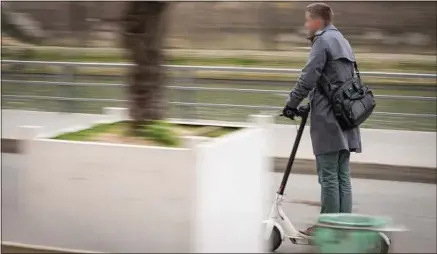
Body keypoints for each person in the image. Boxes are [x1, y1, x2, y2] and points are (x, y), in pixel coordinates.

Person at [282, 3, 362, 236]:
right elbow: (335, 79)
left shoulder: (322, 41)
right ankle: (342, 226)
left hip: (329, 119)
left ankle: (327, 227)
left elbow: (308, 77)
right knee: (341, 175)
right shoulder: (343, 41)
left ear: (318, 21)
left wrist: (291, 104)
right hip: (347, 117)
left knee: (328, 175)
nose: (306, 25)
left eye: (308, 20)